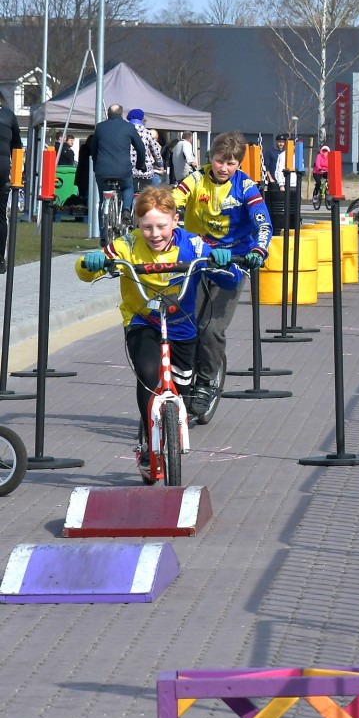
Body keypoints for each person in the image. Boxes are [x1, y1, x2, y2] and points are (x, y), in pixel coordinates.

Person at [76, 186, 242, 477]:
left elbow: (231, 280)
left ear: (175, 220)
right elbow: (84, 271)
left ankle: (175, 419)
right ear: (137, 224)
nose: (155, 234)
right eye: (147, 227)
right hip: (143, 321)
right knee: (149, 374)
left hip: (182, 325)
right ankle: (146, 445)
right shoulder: (127, 245)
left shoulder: (193, 245)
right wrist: (91, 262)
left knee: (183, 387)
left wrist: (222, 263)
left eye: (162, 226)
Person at [172, 132, 272, 419]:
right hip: (197, 257)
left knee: (211, 329)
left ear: (239, 164)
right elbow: (170, 202)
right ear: (210, 158)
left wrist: (258, 250)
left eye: (231, 163)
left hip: (233, 262)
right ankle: (180, 377)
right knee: (180, 322)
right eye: (219, 161)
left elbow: (263, 223)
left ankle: (206, 383)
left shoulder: (246, 187)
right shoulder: (195, 179)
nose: (224, 168)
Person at [92, 103, 146, 212]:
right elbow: (140, 148)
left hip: (103, 170)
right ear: (121, 114)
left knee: (103, 200)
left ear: (108, 114)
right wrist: (140, 164)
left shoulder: (100, 127)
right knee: (128, 187)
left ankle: (104, 216)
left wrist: (95, 166)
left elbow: (93, 149)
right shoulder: (129, 127)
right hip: (123, 170)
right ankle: (126, 210)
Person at [0, 95, 23, 274]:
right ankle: (0, 260)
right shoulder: (8, 115)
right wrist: (16, 175)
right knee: (1, 215)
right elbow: (17, 145)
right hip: (2, 169)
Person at [127, 109, 162, 194]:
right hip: (144, 170)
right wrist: (160, 164)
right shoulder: (147, 132)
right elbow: (155, 151)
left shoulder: (124, 131)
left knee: (128, 191)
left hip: (128, 169)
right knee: (148, 192)